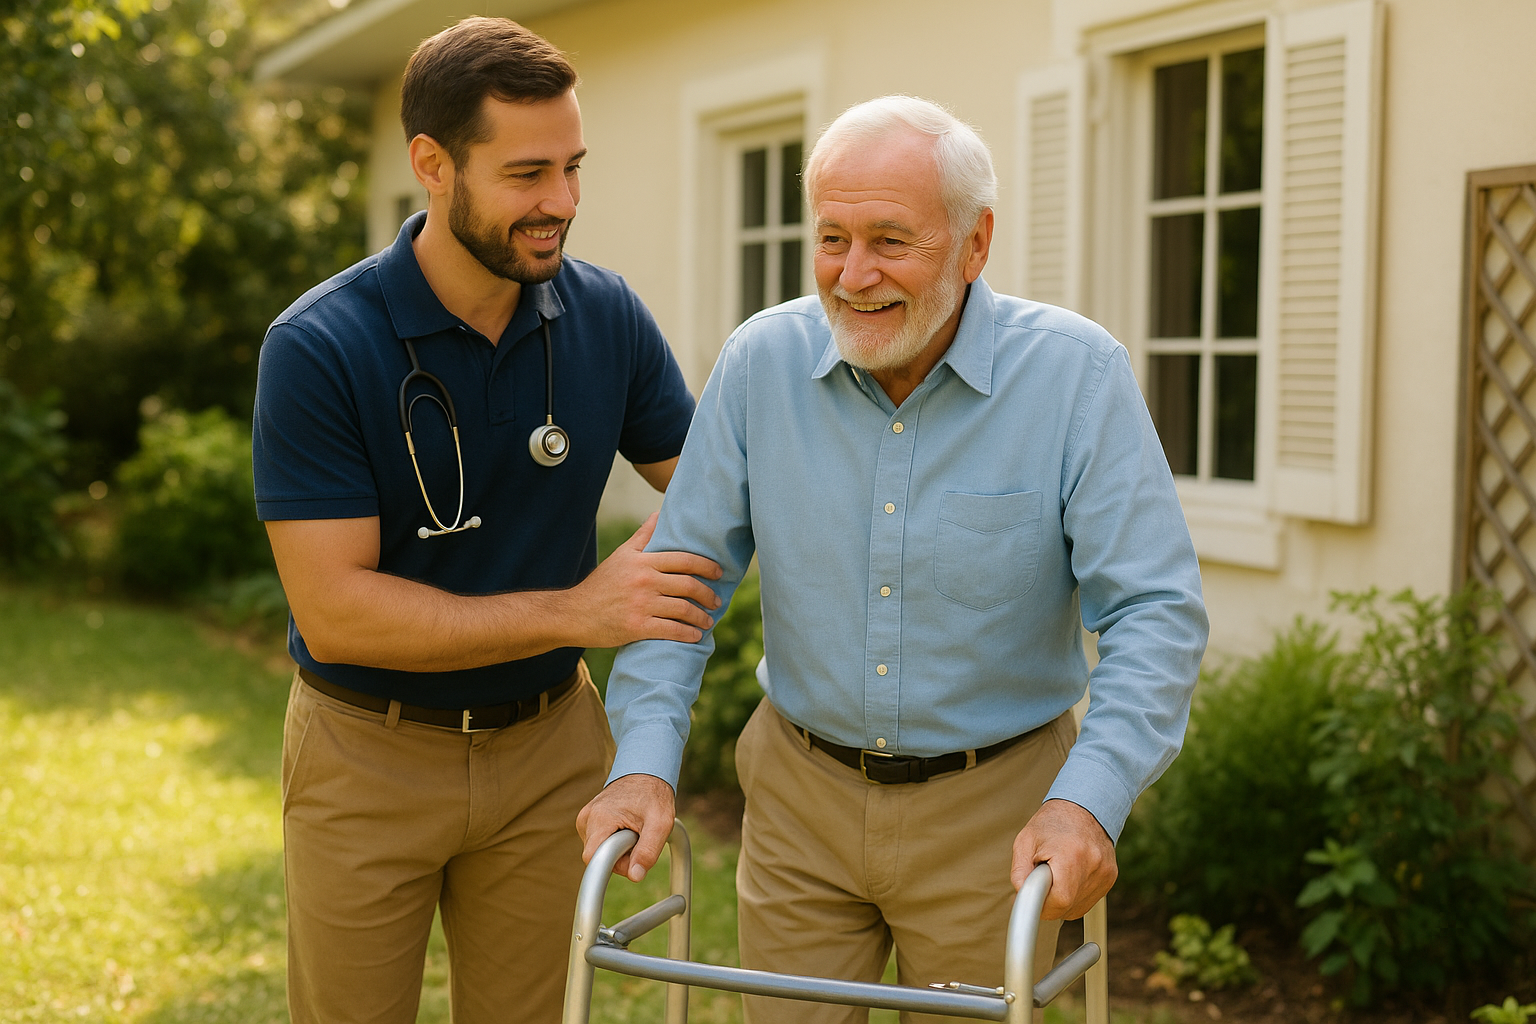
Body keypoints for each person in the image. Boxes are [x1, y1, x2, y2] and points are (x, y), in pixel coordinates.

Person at [577, 95, 1208, 1023]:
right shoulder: (760, 363)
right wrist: (643, 762)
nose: (854, 275)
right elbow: (681, 584)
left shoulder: (1077, 376)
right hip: (798, 802)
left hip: (997, 815)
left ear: (975, 243)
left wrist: (1088, 801)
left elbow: (1154, 612)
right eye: (832, 239)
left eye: (891, 242)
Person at [252, 18, 721, 1024]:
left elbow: (717, 493)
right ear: (432, 164)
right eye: (527, 174)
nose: (563, 202)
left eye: (573, 167)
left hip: (552, 750)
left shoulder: (606, 317)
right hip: (368, 752)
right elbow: (336, 612)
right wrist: (581, 611)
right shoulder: (321, 346)